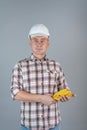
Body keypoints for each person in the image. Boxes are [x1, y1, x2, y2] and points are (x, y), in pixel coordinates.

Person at [11, 24, 75, 130]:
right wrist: (41, 98)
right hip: (29, 125)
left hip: (53, 124)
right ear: (30, 42)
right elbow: (15, 93)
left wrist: (66, 95)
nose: (39, 44)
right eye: (35, 40)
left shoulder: (56, 65)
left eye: (43, 40)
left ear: (48, 43)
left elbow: (64, 88)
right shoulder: (20, 65)